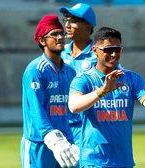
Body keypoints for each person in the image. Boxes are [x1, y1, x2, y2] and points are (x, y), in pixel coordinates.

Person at [68, 27, 145, 167]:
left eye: (117, 49)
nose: (113, 54)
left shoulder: (131, 78)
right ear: (95, 50)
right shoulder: (83, 79)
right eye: (108, 50)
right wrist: (102, 91)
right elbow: (73, 106)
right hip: (94, 161)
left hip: (123, 161)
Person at [20, 14, 79, 168]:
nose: (60, 37)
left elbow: (74, 110)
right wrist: (52, 137)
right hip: (39, 143)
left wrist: (78, 137)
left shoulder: (70, 72)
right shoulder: (35, 70)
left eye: (61, 33)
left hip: (65, 144)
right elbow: (36, 109)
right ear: (42, 40)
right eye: (54, 34)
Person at [59, 3, 97, 147]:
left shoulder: (100, 56)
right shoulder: (59, 53)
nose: (67, 25)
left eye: (73, 20)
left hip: (88, 128)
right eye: (66, 20)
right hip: (59, 128)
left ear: (87, 26)